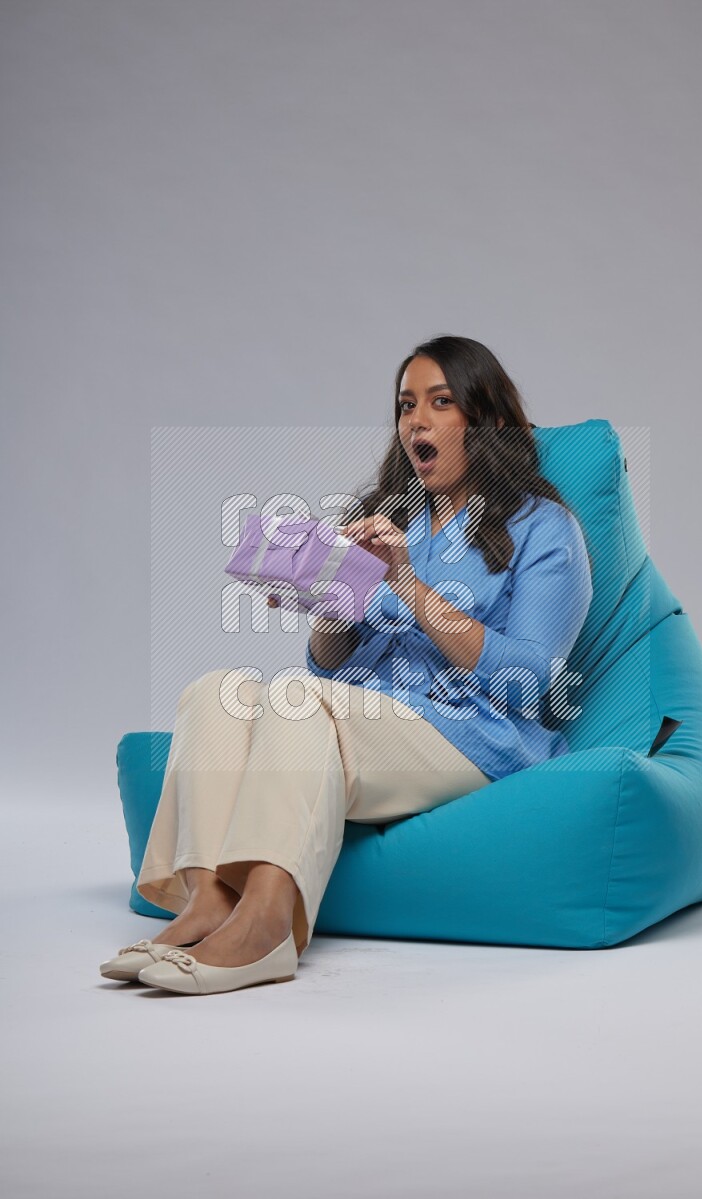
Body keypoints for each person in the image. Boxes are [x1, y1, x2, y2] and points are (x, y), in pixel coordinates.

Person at [99, 335, 594, 995]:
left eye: (439, 403)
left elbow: (530, 681)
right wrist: (328, 596)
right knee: (217, 690)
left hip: (476, 735)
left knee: (297, 700)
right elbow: (331, 666)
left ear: (488, 422)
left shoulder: (545, 528)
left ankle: (267, 927)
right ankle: (208, 899)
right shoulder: (392, 518)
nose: (415, 420)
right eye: (405, 405)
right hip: (369, 721)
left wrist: (410, 585)